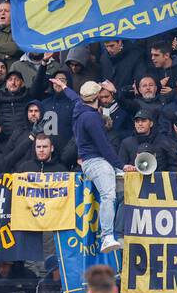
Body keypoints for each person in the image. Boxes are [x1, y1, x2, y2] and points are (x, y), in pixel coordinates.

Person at [53, 75, 132, 252]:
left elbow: (73, 97)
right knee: (108, 196)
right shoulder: (91, 118)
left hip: (92, 161)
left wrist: (64, 87)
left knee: (121, 191)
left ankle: (118, 232)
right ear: (96, 98)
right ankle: (107, 236)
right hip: (97, 161)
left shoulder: (79, 106)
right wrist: (121, 165)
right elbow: (104, 146)